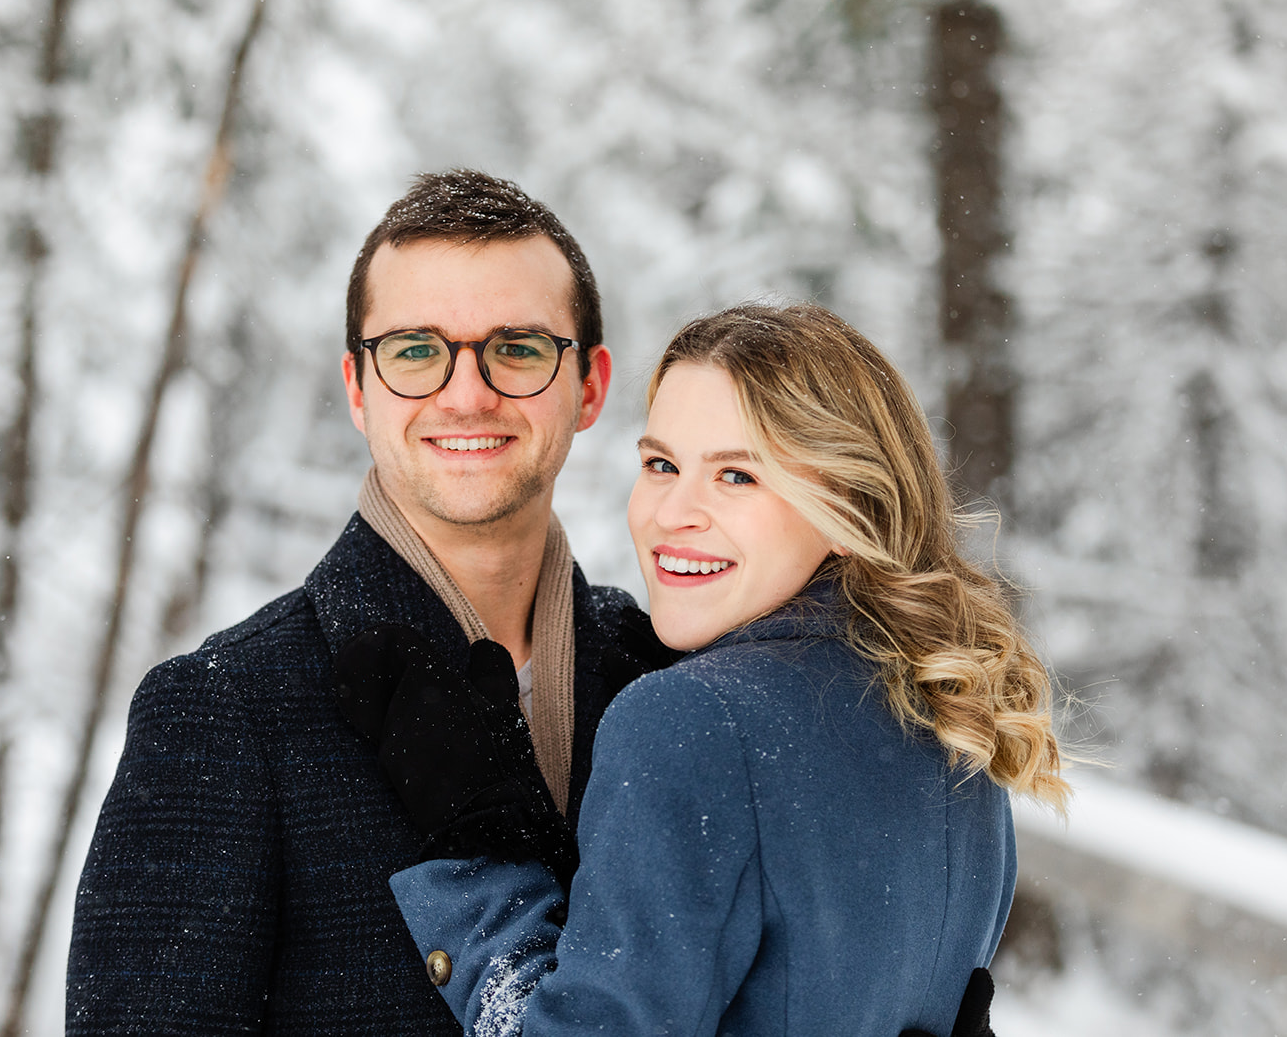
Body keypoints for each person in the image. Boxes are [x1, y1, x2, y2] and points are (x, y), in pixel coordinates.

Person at [343, 303, 1069, 1036]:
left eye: (736, 476)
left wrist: (482, 852)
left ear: (848, 505)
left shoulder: (691, 722)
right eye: (661, 464)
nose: (671, 512)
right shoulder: (953, 710)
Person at [65, 170, 674, 1035]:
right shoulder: (224, 708)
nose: (468, 393)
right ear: (358, 386)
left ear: (590, 386)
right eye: (416, 351)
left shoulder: (664, 675)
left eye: (520, 347)